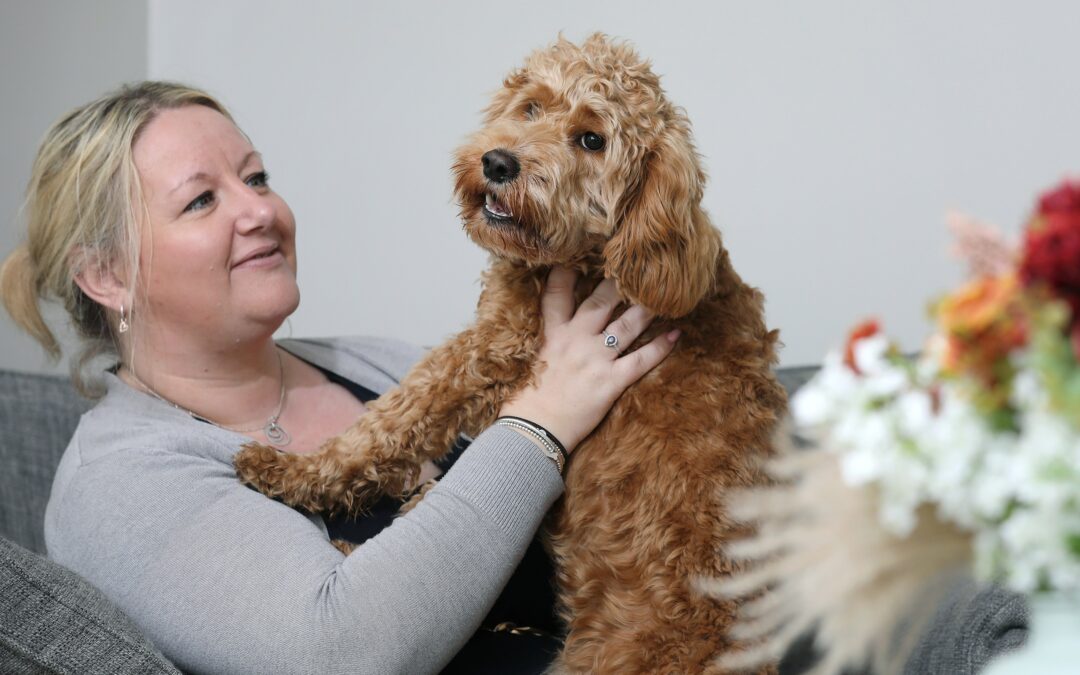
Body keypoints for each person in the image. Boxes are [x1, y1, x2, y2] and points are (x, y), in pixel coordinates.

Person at [0, 81, 680, 674]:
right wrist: (542, 421)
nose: (260, 211)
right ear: (107, 276)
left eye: (257, 178)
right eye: (202, 201)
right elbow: (339, 653)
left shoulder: (377, 362)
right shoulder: (117, 481)